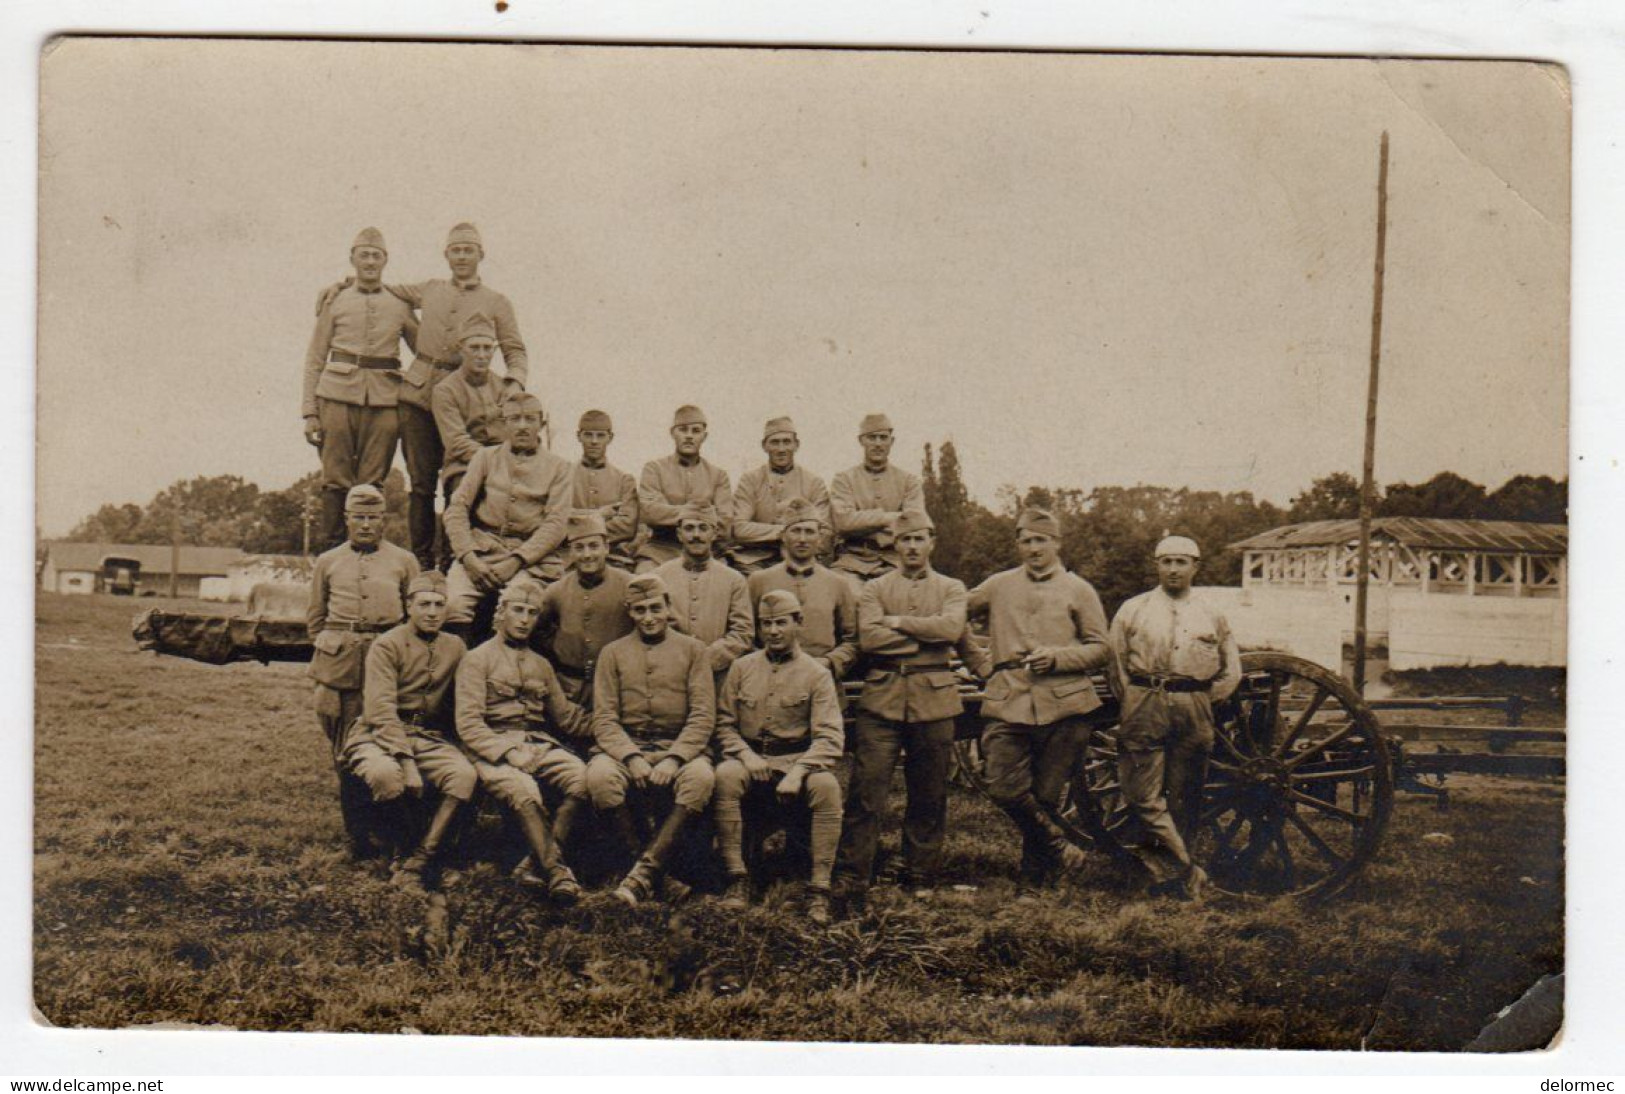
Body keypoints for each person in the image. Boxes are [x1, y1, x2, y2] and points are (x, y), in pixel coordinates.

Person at [321, 222, 529, 569]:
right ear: (446, 255)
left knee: (460, 482)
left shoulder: (497, 302)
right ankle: (420, 562)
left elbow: (515, 350)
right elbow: (379, 287)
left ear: (481, 255)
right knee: (420, 484)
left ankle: (452, 562)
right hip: (418, 397)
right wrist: (341, 285)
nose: (462, 256)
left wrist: (513, 384)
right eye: (456, 250)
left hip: (467, 402)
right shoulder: (429, 289)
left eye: (469, 250)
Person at [964, 508, 1111, 887]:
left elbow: (1101, 648)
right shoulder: (998, 585)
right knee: (1000, 784)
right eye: (1026, 540)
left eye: (1041, 540)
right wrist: (980, 662)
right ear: (1018, 545)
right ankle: (1060, 846)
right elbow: (953, 614)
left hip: (1066, 706)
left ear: (1057, 543)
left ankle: (1032, 881)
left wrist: (1058, 657)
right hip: (1008, 698)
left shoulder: (1079, 589)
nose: (1033, 548)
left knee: (1045, 798)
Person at [833, 509, 966, 904]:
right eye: (905, 539)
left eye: (919, 538)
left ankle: (920, 873)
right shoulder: (874, 588)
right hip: (883, 696)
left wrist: (897, 623)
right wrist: (925, 635)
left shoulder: (952, 587)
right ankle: (854, 875)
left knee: (929, 792)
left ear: (932, 542)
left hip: (935, 697)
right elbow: (870, 641)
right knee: (866, 790)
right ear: (895, 543)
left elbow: (951, 629)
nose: (911, 547)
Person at [1107, 535, 1242, 900]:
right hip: (1144, 700)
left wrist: (1200, 699)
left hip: (1194, 707)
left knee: (1186, 796)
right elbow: (1116, 664)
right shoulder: (1133, 609)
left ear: (1195, 566)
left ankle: (1165, 875)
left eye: (1181, 562)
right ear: (1156, 565)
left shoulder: (1211, 613)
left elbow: (1231, 670)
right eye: (1166, 562)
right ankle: (1188, 871)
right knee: (1140, 794)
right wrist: (1136, 698)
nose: (1173, 569)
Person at [455, 579, 595, 904]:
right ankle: (559, 872)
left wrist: (612, 726)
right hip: (491, 747)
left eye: (532, 613)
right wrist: (508, 753)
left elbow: (567, 717)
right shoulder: (477, 660)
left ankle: (534, 865)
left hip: (537, 743)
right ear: (501, 613)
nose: (524, 619)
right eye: (517, 610)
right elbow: (469, 723)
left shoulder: (541, 665)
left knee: (584, 779)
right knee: (525, 790)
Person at [713, 590, 845, 924]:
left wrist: (798, 772)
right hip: (751, 760)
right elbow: (724, 725)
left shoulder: (817, 674)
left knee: (827, 786)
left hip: (797, 760)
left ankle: (819, 889)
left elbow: (830, 737)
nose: (773, 632)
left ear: (798, 624)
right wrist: (746, 755)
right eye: (766, 624)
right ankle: (737, 879)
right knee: (726, 775)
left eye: (781, 623)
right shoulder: (741, 668)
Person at [341, 571, 477, 890]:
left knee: (464, 775)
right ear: (409, 606)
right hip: (377, 734)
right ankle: (402, 854)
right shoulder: (387, 644)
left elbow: (464, 698)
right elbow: (379, 710)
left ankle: (421, 857)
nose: (432, 612)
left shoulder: (455, 646)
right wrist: (406, 761)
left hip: (428, 736)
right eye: (424, 604)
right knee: (387, 775)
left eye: (439, 604)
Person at [588, 575, 717, 907]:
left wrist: (676, 758)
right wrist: (631, 757)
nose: (649, 617)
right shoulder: (612, 654)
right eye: (640, 610)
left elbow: (703, 715)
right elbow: (603, 718)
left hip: (679, 747)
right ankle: (654, 877)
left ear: (668, 608)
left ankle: (641, 875)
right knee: (600, 777)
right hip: (627, 747)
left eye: (655, 608)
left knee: (700, 778)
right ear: (629, 612)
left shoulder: (693, 650)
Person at [306, 484, 420, 857]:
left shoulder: (404, 561)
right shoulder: (328, 561)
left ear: (384, 520)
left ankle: (392, 832)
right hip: (341, 671)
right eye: (359, 517)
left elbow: (414, 617)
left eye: (374, 518)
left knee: (388, 744)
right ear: (347, 519)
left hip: (388, 664)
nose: (367, 525)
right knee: (346, 751)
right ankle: (359, 837)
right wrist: (333, 651)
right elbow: (316, 620)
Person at [301, 228, 418, 549]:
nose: (369, 262)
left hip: (385, 399)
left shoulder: (399, 303)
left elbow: (424, 349)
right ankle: (330, 556)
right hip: (335, 396)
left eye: (376, 256)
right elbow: (315, 357)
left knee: (372, 480)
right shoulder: (334, 300)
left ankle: (367, 554)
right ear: (352, 258)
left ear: (386, 260)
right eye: (363, 255)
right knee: (335, 478)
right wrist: (310, 412)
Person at [442, 393, 574, 641]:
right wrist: (468, 557)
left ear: (541, 424)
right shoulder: (485, 458)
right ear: (504, 424)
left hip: (531, 559)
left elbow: (555, 524)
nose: (522, 426)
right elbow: (457, 508)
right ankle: (457, 674)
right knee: (453, 604)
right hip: (481, 550)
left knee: (517, 609)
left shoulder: (560, 467)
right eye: (514, 419)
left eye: (529, 419)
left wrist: (517, 560)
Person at [745, 498, 859, 681]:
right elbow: (747, 635)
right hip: (772, 678)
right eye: (796, 531)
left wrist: (829, 662)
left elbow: (852, 641)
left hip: (822, 678)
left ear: (819, 537)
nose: (802, 539)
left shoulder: (838, 583)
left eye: (809, 532)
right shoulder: (759, 581)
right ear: (783, 536)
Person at [536, 512, 634, 703]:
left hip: (618, 686)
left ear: (606, 548)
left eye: (594, 546)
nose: (587, 555)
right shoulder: (556, 591)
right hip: (569, 687)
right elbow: (538, 630)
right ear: (571, 552)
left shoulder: (629, 585)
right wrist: (559, 648)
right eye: (579, 548)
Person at [651, 503, 754, 684]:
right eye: (689, 528)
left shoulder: (734, 580)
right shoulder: (659, 577)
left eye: (703, 528)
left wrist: (707, 660)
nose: (696, 535)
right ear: (679, 534)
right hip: (669, 674)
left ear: (714, 533)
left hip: (717, 676)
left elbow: (742, 631)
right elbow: (654, 625)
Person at [829, 413, 925, 584]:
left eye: (883, 438)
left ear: (892, 441)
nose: (878, 444)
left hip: (896, 562)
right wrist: (891, 517)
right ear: (861, 441)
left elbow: (913, 524)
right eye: (872, 438)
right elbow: (843, 523)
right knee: (843, 593)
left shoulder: (909, 481)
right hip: (852, 563)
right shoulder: (844, 479)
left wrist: (862, 521)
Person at [729, 416, 831, 574]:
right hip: (755, 561)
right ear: (764, 446)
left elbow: (823, 532)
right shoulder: (750, 480)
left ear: (796, 445)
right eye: (775, 442)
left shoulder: (814, 483)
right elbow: (739, 528)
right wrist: (784, 532)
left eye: (786, 442)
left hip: (800, 561)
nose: (781, 449)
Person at [635, 405, 732, 571]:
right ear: (673, 433)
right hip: (661, 550)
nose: (689, 436)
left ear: (704, 436)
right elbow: (649, 512)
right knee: (644, 576)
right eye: (683, 430)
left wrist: (670, 512)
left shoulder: (718, 476)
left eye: (695, 431)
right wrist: (703, 512)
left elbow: (724, 523)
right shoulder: (654, 469)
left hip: (706, 553)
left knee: (726, 581)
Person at [432, 312, 509, 503]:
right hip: (463, 466)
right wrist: (496, 462)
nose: (482, 355)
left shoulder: (503, 387)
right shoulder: (445, 390)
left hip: (506, 464)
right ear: (461, 349)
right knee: (464, 495)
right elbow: (457, 443)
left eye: (487, 348)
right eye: (474, 348)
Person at [570, 409, 639, 571]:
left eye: (600, 435)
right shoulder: (563, 476)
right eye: (588, 435)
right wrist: (599, 515)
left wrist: (577, 518)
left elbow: (627, 527)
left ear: (610, 438)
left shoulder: (624, 480)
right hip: (570, 556)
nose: (594, 441)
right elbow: (557, 518)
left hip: (613, 557)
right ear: (578, 436)